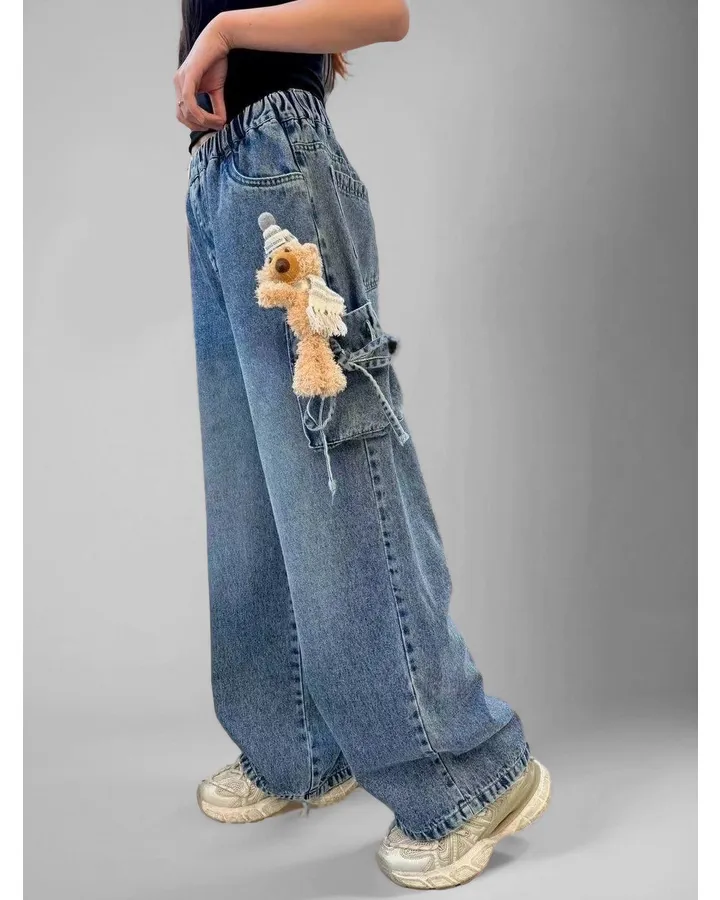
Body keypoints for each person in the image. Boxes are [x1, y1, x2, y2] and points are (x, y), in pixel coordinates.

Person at [176, 1, 550, 889]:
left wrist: (223, 34)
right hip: (222, 171)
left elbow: (383, 13)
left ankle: (465, 775)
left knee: (336, 480)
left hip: (278, 169)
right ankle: (299, 747)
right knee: (254, 491)